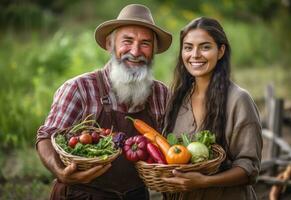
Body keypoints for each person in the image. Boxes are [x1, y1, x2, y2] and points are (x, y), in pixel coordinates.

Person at [36, 4, 172, 200]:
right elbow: (46, 137)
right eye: (127, 41)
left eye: (145, 43)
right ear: (110, 44)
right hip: (81, 193)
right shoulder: (79, 88)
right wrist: (60, 171)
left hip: (136, 195)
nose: (135, 51)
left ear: (153, 51)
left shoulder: (161, 93)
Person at [162, 17, 263, 200]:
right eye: (188, 47)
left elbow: (249, 169)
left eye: (205, 47)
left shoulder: (239, 100)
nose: (195, 54)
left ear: (221, 51)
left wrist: (204, 181)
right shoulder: (177, 99)